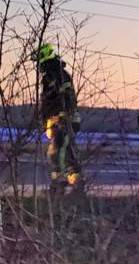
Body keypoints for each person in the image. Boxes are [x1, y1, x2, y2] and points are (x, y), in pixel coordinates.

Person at [33, 44, 82, 195]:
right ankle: (72, 185)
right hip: (54, 120)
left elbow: (68, 97)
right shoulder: (48, 77)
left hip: (63, 119)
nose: (38, 65)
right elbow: (47, 102)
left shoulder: (60, 75)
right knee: (61, 153)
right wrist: (44, 121)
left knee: (58, 152)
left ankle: (61, 185)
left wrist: (63, 116)